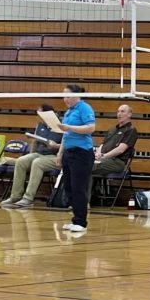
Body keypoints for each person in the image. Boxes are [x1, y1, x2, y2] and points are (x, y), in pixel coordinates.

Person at [1, 103, 62, 208]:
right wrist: (31, 154)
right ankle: (15, 195)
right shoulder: (40, 125)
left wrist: (56, 146)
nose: (39, 116)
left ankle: (28, 198)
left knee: (37, 163)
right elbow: (34, 142)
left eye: (41, 113)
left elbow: (67, 143)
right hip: (39, 153)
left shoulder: (61, 125)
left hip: (55, 156)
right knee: (21, 161)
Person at [56, 85, 96, 233]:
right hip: (68, 153)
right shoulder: (68, 112)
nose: (65, 99)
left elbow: (91, 128)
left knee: (79, 188)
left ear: (76, 95)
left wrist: (70, 128)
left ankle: (81, 222)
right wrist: (60, 154)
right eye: (63, 96)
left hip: (82, 153)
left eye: (67, 96)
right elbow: (65, 135)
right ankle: (75, 219)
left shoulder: (84, 108)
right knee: (69, 187)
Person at [90, 104, 138, 194]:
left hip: (117, 162)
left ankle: (83, 201)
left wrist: (103, 156)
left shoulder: (131, 130)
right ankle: (82, 199)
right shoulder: (112, 129)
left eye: (122, 111)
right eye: (118, 111)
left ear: (129, 114)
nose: (119, 114)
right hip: (103, 159)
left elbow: (120, 150)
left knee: (89, 166)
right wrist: (98, 154)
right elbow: (102, 145)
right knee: (83, 165)